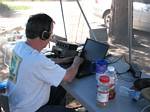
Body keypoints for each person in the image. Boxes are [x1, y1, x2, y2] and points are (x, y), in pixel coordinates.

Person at [7, 13, 83, 112]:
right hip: (31, 109)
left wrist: (61, 60)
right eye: (51, 33)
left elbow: (35, 64)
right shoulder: (36, 60)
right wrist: (76, 62)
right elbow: (68, 77)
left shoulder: (20, 46)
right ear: (45, 35)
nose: (51, 36)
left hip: (18, 104)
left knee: (60, 87)